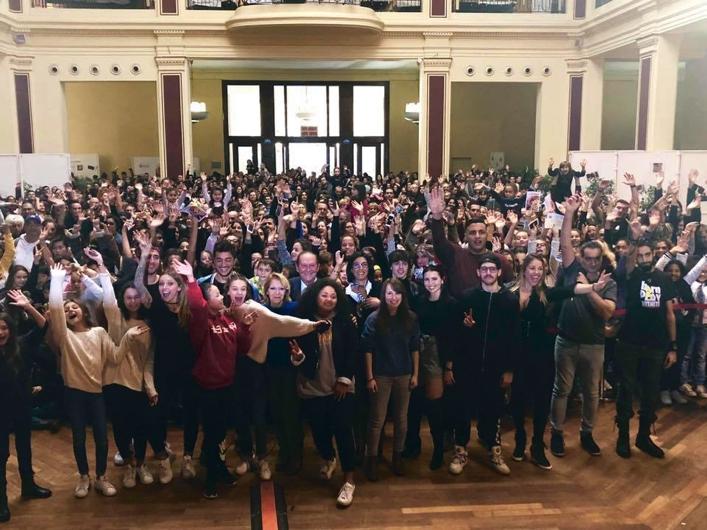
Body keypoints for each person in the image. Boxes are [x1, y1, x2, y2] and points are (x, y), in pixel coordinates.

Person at [48, 264, 147, 499]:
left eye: (74, 307)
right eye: (67, 309)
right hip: (74, 394)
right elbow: (55, 310)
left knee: (102, 438)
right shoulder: (64, 336)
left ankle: (101, 477)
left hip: (96, 394)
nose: (70, 310)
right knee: (79, 438)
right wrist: (56, 281)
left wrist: (128, 337)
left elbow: (116, 357)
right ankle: (84, 477)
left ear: (84, 311)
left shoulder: (99, 333)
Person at [508, 254, 612, 470]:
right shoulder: (509, 293)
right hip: (517, 355)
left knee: (541, 400)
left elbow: (571, 290)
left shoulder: (546, 293)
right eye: (532, 268)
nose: (536, 272)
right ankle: (519, 439)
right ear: (524, 269)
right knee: (517, 400)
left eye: (540, 269)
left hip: (542, 355)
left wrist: (593, 287)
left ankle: (537, 445)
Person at [172, 260, 253, 499]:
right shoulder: (201, 324)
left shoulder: (228, 320)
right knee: (212, 433)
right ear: (207, 301)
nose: (221, 297)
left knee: (219, 433)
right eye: (216, 294)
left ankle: (218, 469)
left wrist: (245, 328)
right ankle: (210, 479)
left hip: (228, 386)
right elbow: (197, 306)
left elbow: (243, 348)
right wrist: (191, 280)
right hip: (207, 388)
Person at [550, 195, 617, 458]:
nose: (591, 262)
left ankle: (587, 433)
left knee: (591, 393)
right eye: (587, 258)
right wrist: (569, 213)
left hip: (593, 344)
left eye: (595, 259)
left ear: (601, 259)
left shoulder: (609, 281)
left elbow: (607, 312)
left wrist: (589, 289)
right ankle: (556, 433)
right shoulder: (571, 269)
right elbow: (565, 243)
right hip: (566, 340)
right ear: (582, 258)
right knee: (561, 390)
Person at [88, 247, 159, 489]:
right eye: (128, 297)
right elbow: (108, 297)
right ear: (123, 299)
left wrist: (150, 386)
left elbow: (148, 359)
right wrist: (101, 266)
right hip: (115, 383)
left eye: (136, 296)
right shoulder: (116, 318)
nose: (133, 300)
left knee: (140, 427)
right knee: (120, 428)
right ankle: (129, 465)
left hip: (137, 383)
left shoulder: (149, 325)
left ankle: (140, 464)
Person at [446, 253, 520, 476]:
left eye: (492, 269)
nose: (488, 273)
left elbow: (514, 337)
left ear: (499, 272)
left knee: (493, 409)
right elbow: (455, 334)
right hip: (468, 364)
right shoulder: (467, 297)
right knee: (462, 409)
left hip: (496, 366)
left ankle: (494, 450)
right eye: (484, 269)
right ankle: (460, 451)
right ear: (478, 272)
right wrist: (464, 328)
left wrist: (509, 369)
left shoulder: (509, 300)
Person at [134, 232, 198, 483]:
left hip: (189, 368)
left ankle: (189, 457)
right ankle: (162, 456)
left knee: (192, 413)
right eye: (161, 285)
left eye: (169, 284)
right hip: (163, 368)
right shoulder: (156, 305)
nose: (164, 288)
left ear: (179, 287)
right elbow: (139, 284)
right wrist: (144, 255)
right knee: (157, 416)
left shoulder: (189, 308)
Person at [290, 279, 358, 507]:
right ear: (315, 297)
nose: (329, 300)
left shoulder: (346, 321)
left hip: (340, 386)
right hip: (312, 386)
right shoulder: (304, 322)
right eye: (324, 295)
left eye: (333, 296)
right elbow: (299, 356)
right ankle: (329, 457)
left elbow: (353, 352)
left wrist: (344, 379)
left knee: (343, 430)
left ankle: (348, 480)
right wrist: (298, 357)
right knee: (319, 430)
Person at [615, 242, 677, 459]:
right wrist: (634, 238)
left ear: (653, 255)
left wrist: (673, 346)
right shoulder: (631, 275)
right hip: (629, 342)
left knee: (651, 393)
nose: (643, 259)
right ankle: (622, 436)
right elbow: (627, 262)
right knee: (626, 390)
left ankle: (643, 436)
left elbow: (669, 314)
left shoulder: (664, 278)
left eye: (647, 254)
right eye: (640, 255)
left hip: (656, 344)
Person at [0, 292, 52, 523]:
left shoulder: (21, 344)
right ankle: (1, 501)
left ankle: (28, 486)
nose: (1, 333)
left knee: (24, 448)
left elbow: (43, 326)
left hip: (21, 407)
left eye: (4, 328)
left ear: (10, 330)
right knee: (1, 454)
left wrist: (28, 307)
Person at [362, 278, 420, 481]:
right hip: (381, 374)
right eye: (389, 293)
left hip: (404, 373)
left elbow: (415, 347)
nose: (393, 297)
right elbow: (367, 349)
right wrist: (370, 377)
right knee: (377, 419)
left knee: (401, 419)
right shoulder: (374, 319)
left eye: (397, 293)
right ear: (383, 295)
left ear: (403, 296)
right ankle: (371, 458)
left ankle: (398, 455)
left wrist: (416, 374)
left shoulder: (411, 318)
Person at [404, 266, 458, 470]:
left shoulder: (451, 304)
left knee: (435, 405)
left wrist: (449, 366)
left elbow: (453, 338)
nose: (430, 283)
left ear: (442, 279)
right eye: (427, 279)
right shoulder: (419, 300)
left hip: (438, 356)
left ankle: (438, 450)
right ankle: (413, 445)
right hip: (418, 353)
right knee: (414, 403)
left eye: (434, 279)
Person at [427, 187, 513, 298]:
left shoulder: (501, 261)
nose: (477, 236)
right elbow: (439, 242)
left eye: (481, 232)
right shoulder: (456, 254)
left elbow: (509, 293)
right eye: (472, 233)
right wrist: (437, 216)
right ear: (466, 236)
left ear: (487, 234)